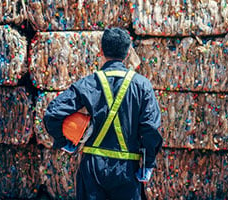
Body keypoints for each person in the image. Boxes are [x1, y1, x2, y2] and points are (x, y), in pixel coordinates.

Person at [43, 27, 162, 200]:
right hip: (126, 170)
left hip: (92, 169)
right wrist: (148, 164)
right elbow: (151, 128)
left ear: (100, 51)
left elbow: (52, 113)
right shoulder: (142, 86)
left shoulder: (88, 83)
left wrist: (64, 141)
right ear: (128, 52)